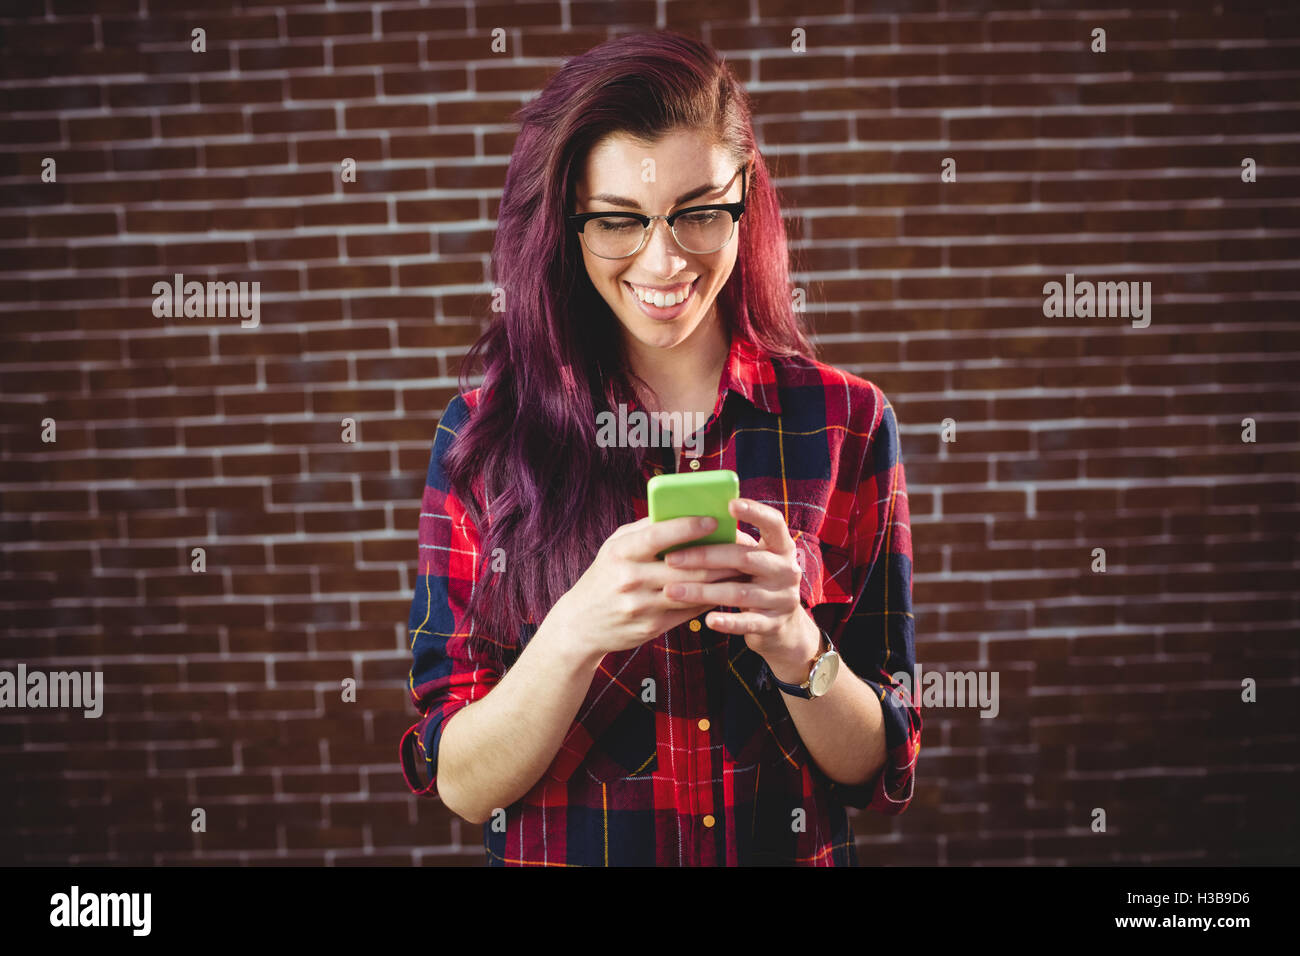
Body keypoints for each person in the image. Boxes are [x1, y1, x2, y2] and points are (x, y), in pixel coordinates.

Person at [399, 30, 921, 866]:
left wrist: (794, 640)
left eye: (699, 213)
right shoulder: (484, 438)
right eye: (619, 222)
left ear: (745, 197)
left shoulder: (846, 421)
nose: (664, 258)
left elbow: (873, 766)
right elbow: (461, 783)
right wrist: (575, 630)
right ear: (566, 223)